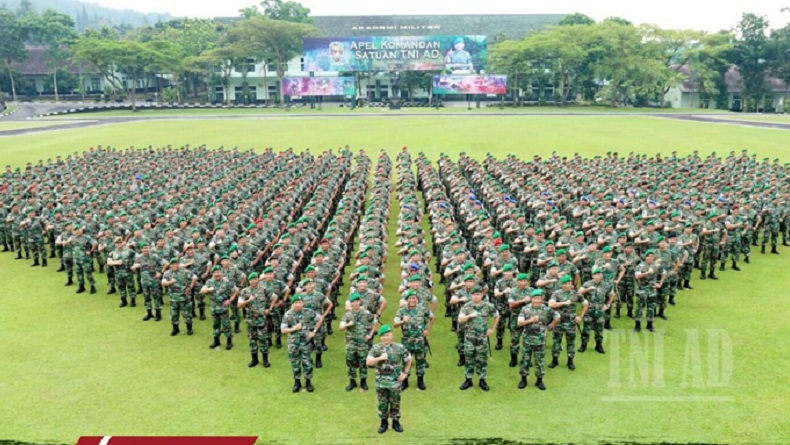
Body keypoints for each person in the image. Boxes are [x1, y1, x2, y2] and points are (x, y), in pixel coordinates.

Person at [366, 324, 412, 434]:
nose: (386, 337)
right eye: (384, 335)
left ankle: (396, 422)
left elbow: (409, 359)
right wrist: (380, 358)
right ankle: (384, 422)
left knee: (395, 402)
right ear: (381, 337)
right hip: (381, 382)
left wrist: (405, 373)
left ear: (392, 335)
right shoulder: (376, 348)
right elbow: (368, 362)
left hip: (395, 382)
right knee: (382, 403)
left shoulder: (399, 347)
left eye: (388, 335)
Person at [458, 285, 500, 391]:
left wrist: (492, 329)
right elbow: (460, 320)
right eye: (474, 294)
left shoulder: (488, 306)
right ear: (471, 295)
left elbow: (497, 316)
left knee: (482, 360)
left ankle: (482, 380)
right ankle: (468, 380)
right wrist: (470, 316)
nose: (476, 296)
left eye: (478, 294)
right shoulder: (466, 306)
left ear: (482, 295)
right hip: (469, 338)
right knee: (468, 359)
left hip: (482, 338)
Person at [516, 289, 559, 390]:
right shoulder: (525, 309)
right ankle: (523, 379)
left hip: (540, 341)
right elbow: (519, 323)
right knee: (525, 360)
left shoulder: (546, 309)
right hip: (527, 340)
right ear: (531, 299)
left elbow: (557, 316)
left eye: (539, 298)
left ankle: (539, 381)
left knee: (539, 361)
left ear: (541, 299)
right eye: (535, 298)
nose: (537, 300)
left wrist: (550, 326)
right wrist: (531, 320)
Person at [394, 290, 435, 391]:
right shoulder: (401, 311)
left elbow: (432, 317)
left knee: (420, 361)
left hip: (420, 341)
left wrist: (427, 330)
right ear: (407, 300)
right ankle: (405, 382)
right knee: (405, 361)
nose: (412, 300)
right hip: (406, 341)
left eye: (414, 298)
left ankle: (420, 381)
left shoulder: (422, 309)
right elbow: (395, 324)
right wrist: (403, 321)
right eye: (410, 298)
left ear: (417, 299)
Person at [281, 294, 322, 393]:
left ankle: (308, 382)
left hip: (305, 343)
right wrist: (293, 328)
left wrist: (314, 331)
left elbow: (320, 318)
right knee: (295, 363)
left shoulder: (308, 312)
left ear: (303, 303)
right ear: (292, 304)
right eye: (296, 303)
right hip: (293, 344)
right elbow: (283, 330)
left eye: (300, 302)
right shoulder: (288, 315)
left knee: (307, 363)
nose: (298, 304)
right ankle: (297, 382)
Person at [238, 272, 278, 368]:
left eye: (255, 279)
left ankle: (265, 360)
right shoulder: (244, 291)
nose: (254, 281)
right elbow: (239, 305)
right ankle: (254, 359)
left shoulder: (264, 290)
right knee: (252, 340)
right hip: (250, 320)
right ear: (249, 280)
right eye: (252, 279)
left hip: (261, 320)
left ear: (258, 280)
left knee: (263, 340)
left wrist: (270, 308)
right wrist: (249, 300)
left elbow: (275, 297)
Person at [548, 275, 588, 370]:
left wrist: (580, 316)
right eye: (565, 283)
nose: (567, 285)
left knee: (571, 342)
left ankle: (570, 361)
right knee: (556, 341)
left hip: (571, 323)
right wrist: (564, 303)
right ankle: (555, 359)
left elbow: (586, 304)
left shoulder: (576, 294)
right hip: (559, 322)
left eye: (569, 283)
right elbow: (551, 304)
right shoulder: (556, 293)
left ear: (571, 284)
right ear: (562, 285)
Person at [339, 292, 377, 392]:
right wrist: (348, 325)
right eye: (353, 302)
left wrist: (370, 334)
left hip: (363, 343)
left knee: (363, 362)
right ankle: (352, 381)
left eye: (357, 301)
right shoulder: (347, 315)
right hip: (351, 343)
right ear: (351, 304)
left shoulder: (366, 313)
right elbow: (341, 327)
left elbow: (374, 322)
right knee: (350, 362)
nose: (355, 303)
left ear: (360, 302)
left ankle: (363, 381)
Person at [201, 265, 239, 350]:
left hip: (223, 307)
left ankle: (229, 342)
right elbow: (202, 291)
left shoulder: (227, 281)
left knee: (226, 325)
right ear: (212, 273)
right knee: (215, 325)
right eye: (215, 272)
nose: (217, 274)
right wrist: (209, 289)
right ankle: (216, 340)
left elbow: (236, 290)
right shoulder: (209, 282)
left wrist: (230, 300)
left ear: (221, 273)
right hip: (214, 307)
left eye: (218, 272)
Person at [161, 258, 197, 336]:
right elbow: (163, 283)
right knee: (174, 314)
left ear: (178, 264)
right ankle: (175, 329)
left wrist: (190, 287)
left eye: (176, 264)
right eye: (173, 264)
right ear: (170, 265)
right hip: (173, 298)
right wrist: (171, 282)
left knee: (187, 314)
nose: (174, 265)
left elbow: (194, 277)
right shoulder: (167, 273)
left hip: (184, 298)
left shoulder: (184, 271)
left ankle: (189, 329)